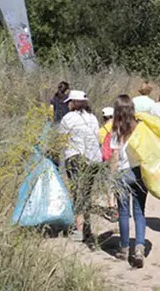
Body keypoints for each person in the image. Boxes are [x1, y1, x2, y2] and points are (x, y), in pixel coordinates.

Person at [109, 95, 147, 268]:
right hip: (138, 173)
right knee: (139, 212)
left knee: (123, 213)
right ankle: (139, 248)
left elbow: (115, 156)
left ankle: (124, 248)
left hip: (122, 173)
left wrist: (112, 177)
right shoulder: (140, 128)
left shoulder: (116, 130)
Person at [58, 90, 102, 242]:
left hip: (75, 157)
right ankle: (87, 227)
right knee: (86, 193)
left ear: (73, 103)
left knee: (77, 193)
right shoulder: (92, 118)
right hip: (93, 159)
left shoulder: (68, 118)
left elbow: (62, 138)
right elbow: (97, 137)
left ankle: (79, 229)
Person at [99, 107, 119, 223]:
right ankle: (120, 206)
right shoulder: (120, 127)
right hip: (120, 157)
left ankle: (112, 207)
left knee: (109, 182)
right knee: (118, 181)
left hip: (108, 158)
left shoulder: (102, 130)